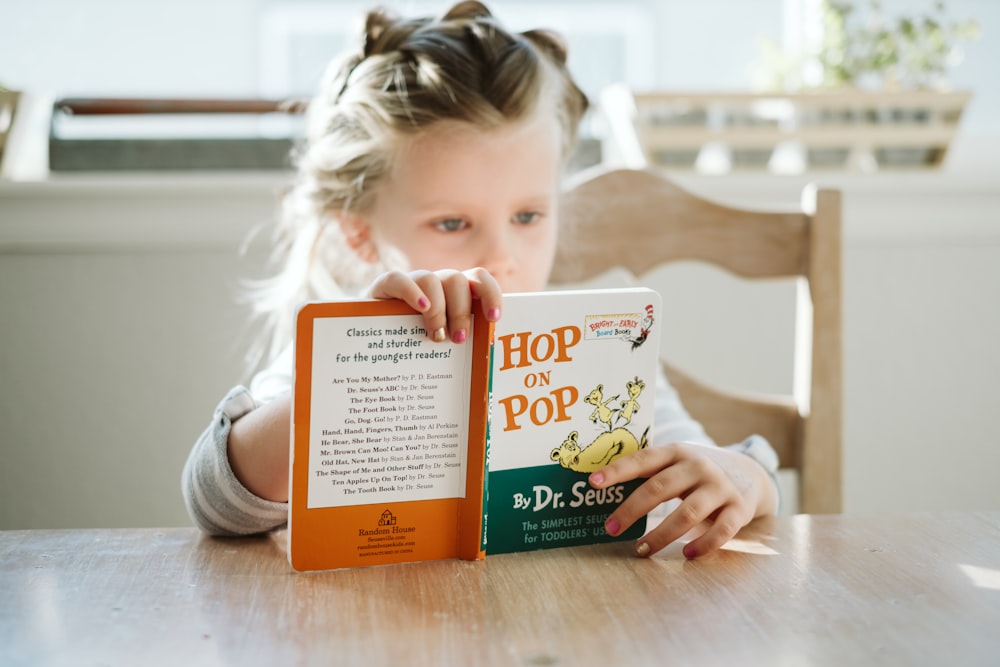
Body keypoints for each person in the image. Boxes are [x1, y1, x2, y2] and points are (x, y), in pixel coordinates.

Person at [182, 1, 779, 560]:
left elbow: (728, 472)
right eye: (451, 222)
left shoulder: (602, 352)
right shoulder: (339, 350)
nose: (500, 255)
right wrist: (350, 377)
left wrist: (744, 478)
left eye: (527, 216)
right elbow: (215, 502)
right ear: (360, 234)